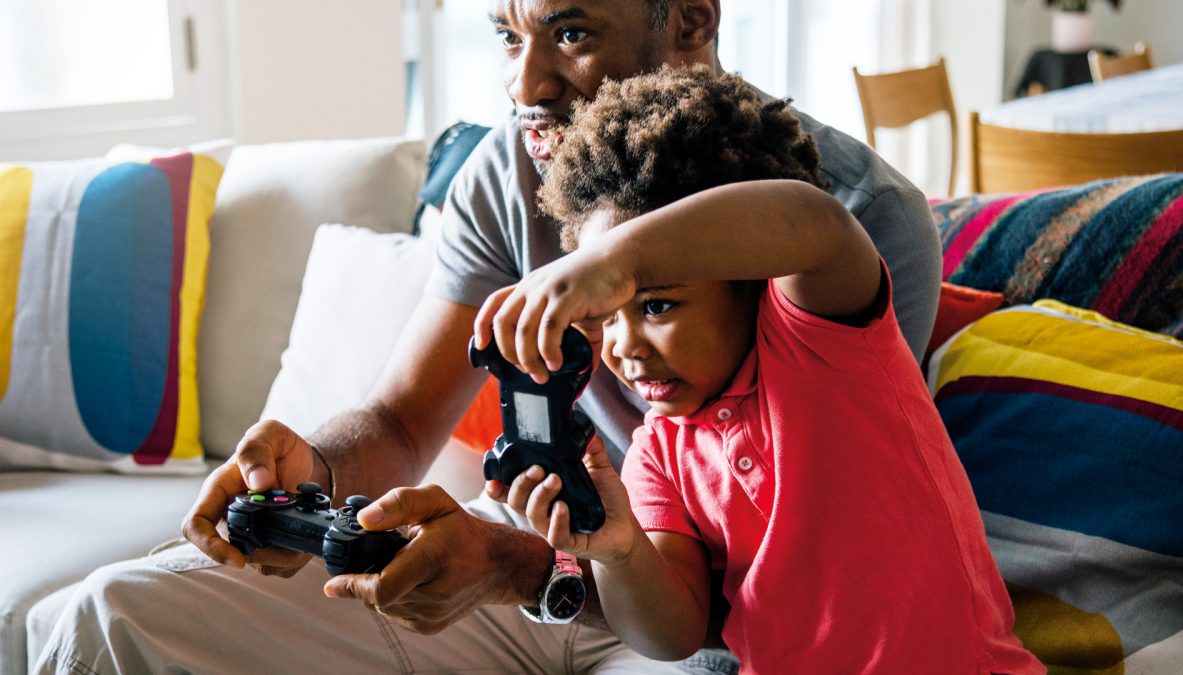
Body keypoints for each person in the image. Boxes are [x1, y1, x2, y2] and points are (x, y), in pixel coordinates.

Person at [34, 1, 943, 673]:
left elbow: (769, 573)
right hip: (585, 557)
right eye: (509, 36)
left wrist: (519, 562)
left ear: (694, 20)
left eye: (572, 32)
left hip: (701, 617)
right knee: (109, 614)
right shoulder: (508, 168)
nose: (525, 86)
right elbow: (398, 424)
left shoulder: (864, 220)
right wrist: (308, 474)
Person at [476, 64, 1043, 674]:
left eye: (657, 304)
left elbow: (814, 223)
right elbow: (673, 635)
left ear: (751, 280)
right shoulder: (658, 455)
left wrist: (619, 260)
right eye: (607, 317)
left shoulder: (823, 345)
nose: (624, 345)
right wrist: (618, 551)